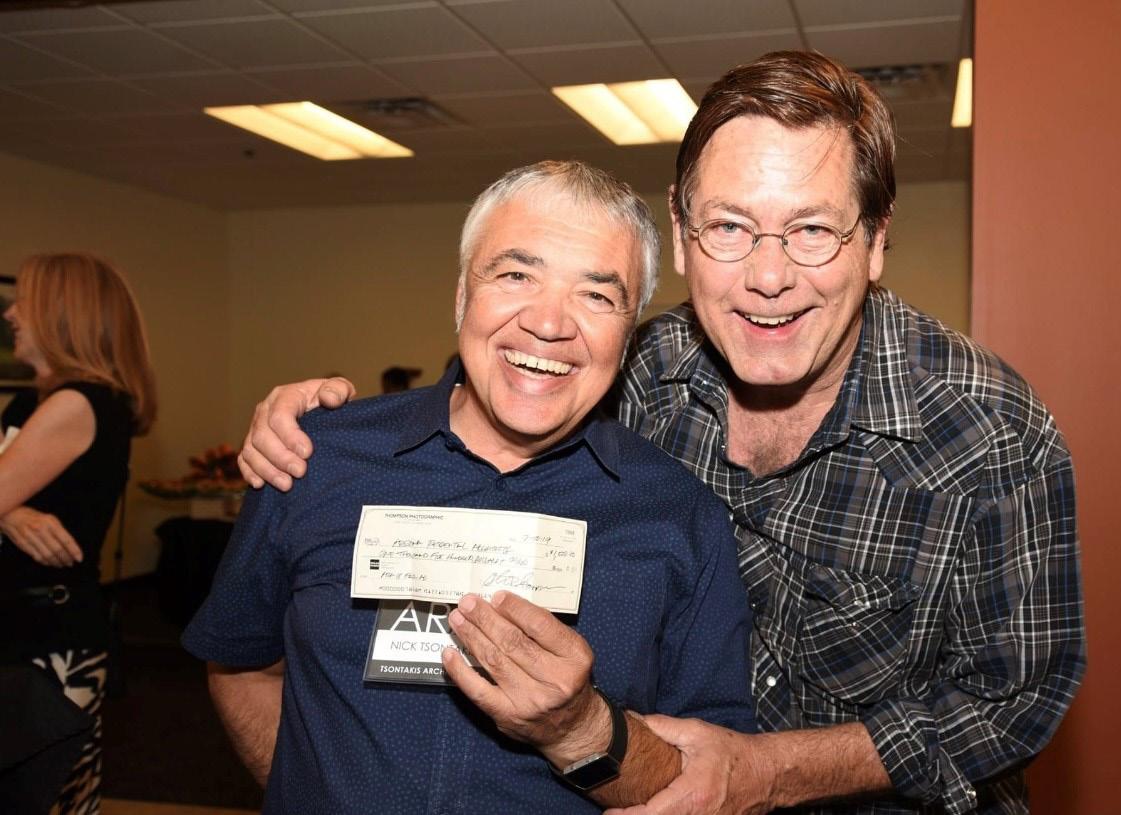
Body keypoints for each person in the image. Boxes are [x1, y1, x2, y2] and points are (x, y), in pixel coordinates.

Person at [238, 51, 1085, 815]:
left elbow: (1016, 704)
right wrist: (317, 419)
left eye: (813, 229)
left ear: (874, 241)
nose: (767, 275)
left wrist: (767, 772)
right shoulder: (636, 369)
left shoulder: (989, 433)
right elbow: (501, 385)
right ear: (682, 234)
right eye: (730, 226)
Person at [183, 161, 755, 814]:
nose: (549, 322)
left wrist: (580, 728)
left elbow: (705, 779)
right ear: (462, 296)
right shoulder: (314, 458)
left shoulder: (681, 517)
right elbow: (242, 666)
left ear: (627, 335)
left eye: (597, 296)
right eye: (516, 275)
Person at [0, 252, 157, 814]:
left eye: (25, 301)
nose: (11, 313)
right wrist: (11, 513)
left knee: (49, 794)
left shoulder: (80, 403)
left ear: (62, 313)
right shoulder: (32, 402)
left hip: (48, 637)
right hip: (26, 627)